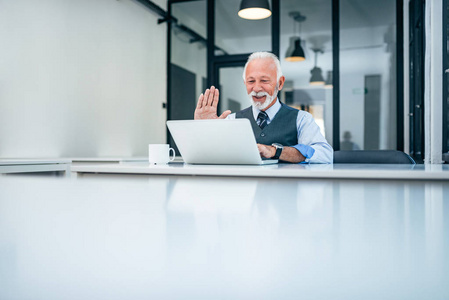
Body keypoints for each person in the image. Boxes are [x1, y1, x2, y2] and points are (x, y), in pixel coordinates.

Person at [194, 51, 333, 164]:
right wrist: (204, 131)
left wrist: (276, 151)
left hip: (288, 194)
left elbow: (325, 154)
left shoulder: (301, 119)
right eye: (251, 81)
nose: (257, 88)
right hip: (243, 194)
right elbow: (209, 157)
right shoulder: (231, 120)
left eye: (264, 81)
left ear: (280, 82)